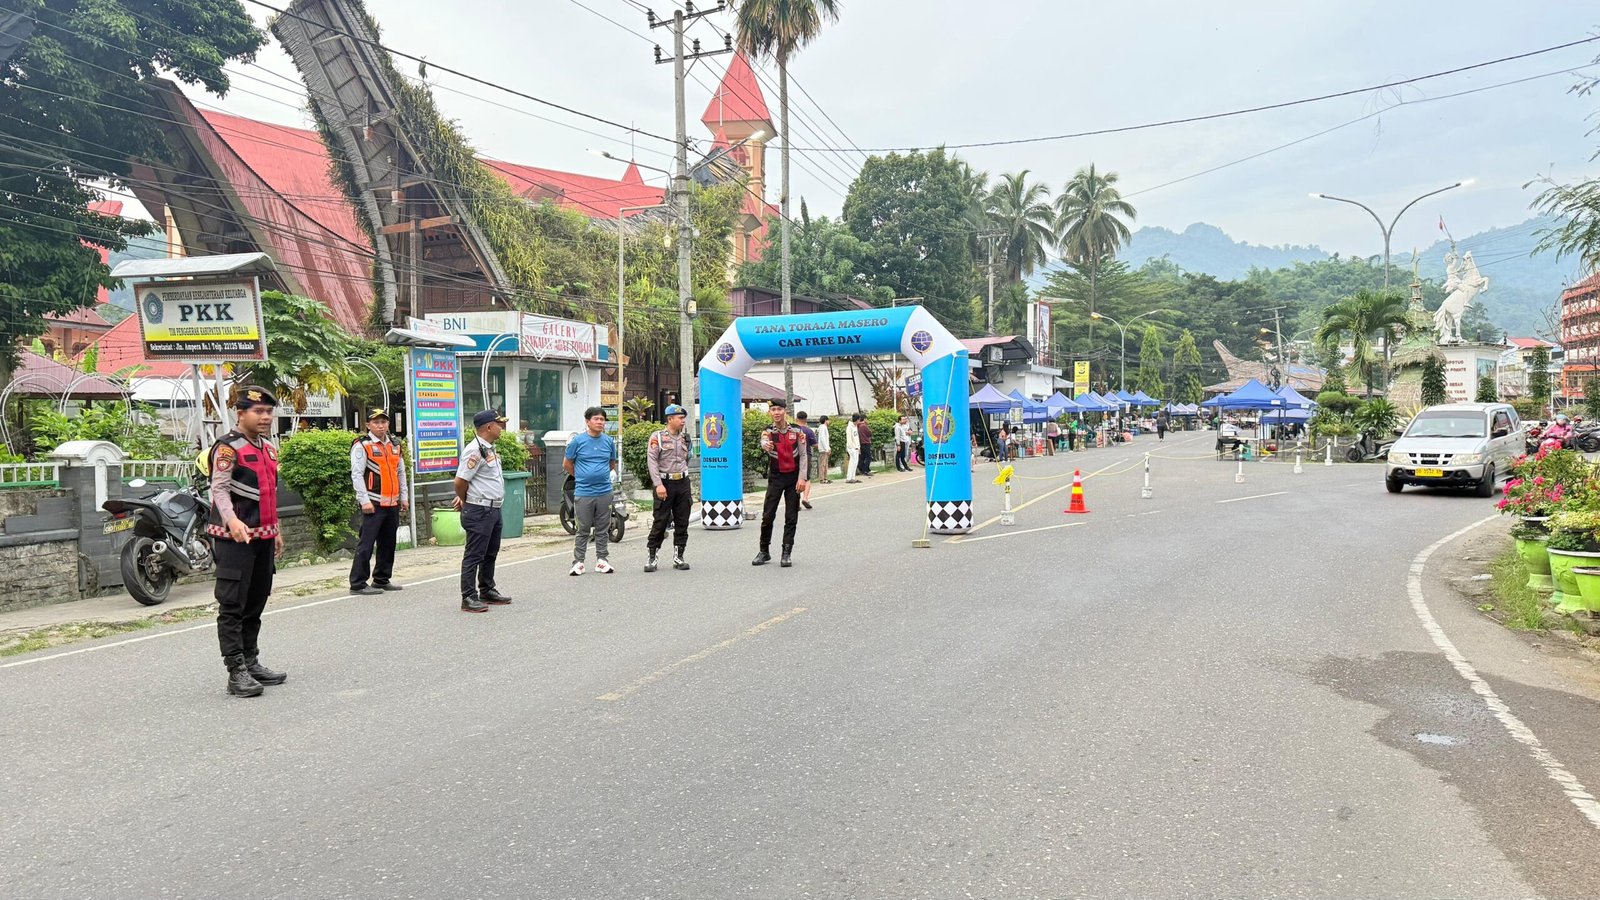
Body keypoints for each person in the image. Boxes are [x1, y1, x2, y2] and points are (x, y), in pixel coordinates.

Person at [205, 386, 287, 698]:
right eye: (258, 411)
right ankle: (235, 670)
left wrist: (275, 528)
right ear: (241, 413)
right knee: (232, 605)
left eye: (269, 411)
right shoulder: (227, 448)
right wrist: (232, 520)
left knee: (256, 601)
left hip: (263, 537)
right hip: (234, 539)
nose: (265, 417)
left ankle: (251, 661)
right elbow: (219, 488)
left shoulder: (269, 448)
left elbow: (269, 493)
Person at [453, 409, 513, 613]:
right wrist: (464, 499)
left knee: (490, 553)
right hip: (479, 510)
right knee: (474, 555)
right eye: (499, 424)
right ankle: (468, 596)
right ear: (488, 427)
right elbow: (460, 481)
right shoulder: (474, 450)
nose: (501, 427)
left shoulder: (488, 448)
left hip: (493, 509)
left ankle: (487, 589)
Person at [349, 407, 409, 596]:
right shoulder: (362, 445)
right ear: (368, 425)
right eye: (376, 422)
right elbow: (357, 474)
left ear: (388, 424)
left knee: (388, 543)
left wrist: (404, 497)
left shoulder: (394, 444)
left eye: (383, 422)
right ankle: (358, 583)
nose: (380, 426)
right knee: (366, 544)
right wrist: (363, 500)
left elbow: (401, 472)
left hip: (392, 503)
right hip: (373, 503)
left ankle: (381, 579)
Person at [753, 399, 809, 568]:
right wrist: (766, 446)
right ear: (770, 412)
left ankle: (786, 552)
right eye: (773, 409)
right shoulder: (768, 431)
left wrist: (802, 478)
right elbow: (764, 442)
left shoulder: (797, 431)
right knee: (768, 515)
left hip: (793, 478)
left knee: (791, 516)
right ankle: (764, 551)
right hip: (776, 477)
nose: (776, 412)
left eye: (779, 409)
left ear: (785, 411)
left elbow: (804, 455)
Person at [565, 406, 618, 576]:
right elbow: (567, 464)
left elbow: (611, 463)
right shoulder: (577, 442)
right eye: (596, 419)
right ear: (588, 421)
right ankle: (578, 562)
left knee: (603, 528)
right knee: (583, 529)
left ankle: (602, 560)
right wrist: (581, 476)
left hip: (604, 491)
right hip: (583, 492)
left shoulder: (609, 441)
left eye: (602, 419)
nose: (600, 422)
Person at [644, 404, 693, 573]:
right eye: (680, 418)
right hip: (665, 484)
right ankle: (652, 557)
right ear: (670, 419)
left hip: (683, 483)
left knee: (682, 521)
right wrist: (658, 484)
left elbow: (687, 459)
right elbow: (652, 462)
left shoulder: (685, 438)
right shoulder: (657, 437)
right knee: (660, 521)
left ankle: (679, 556)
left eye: (683, 418)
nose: (682, 421)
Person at [796, 411, 819, 509]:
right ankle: (805, 498)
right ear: (806, 419)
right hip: (806, 455)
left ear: (796, 418)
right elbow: (815, 444)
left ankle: (795, 502)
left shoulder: (793, 429)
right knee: (807, 478)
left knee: (795, 478)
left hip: (794, 455)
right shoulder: (809, 431)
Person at [844, 412, 862, 483]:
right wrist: (852, 447)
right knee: (852, 462)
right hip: (852, 448)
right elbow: (849, 439)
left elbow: (856, 438)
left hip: (856, 447)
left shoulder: (855, 427)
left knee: (855, 462)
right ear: (857, 419)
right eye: (859, 419)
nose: (859, 421)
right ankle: (849, 478)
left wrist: (858, 447)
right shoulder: (849, 427)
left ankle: (853, 477)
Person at [815, 415, 832, 484]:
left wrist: (828, 448)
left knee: (825, 464)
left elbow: (826, 440)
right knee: (822, 464)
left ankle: (825, 478)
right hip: (823, 449)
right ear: (825, 420)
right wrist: (826, 449)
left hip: (825, 448)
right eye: (828, 420)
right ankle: (822, 479)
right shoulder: (823, 428)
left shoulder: (823, 427)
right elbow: (822, 439)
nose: (829, 422)